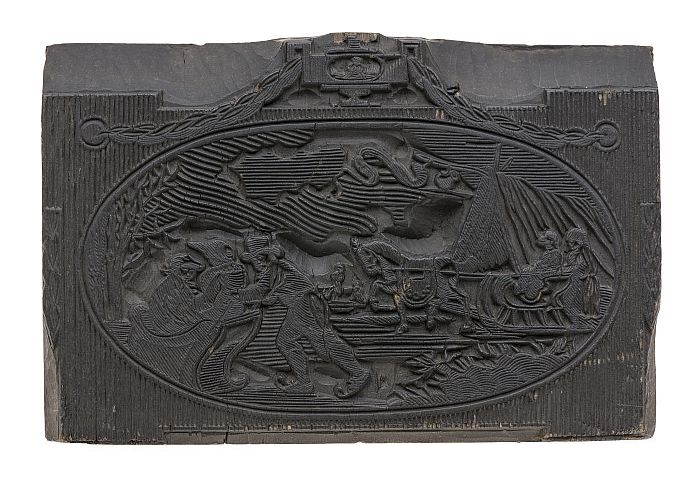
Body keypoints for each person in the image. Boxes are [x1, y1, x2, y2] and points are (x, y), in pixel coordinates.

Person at [244, 236, 370, 398]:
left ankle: (357, 373)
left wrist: (236, 294)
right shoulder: (275, 268)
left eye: (256, 259)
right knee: (286, 341)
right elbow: (271, 292)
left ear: (263, 258)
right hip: (299, 305)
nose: (255, 264)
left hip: (306, 304)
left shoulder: (274, 267)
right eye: (253, 261)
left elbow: (260, 291)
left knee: (323, 341)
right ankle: (304, 381)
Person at [562, 228, 600, 322]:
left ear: (577, 243)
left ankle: (589, 314)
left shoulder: (583, 253)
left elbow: (589, 266)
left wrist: (587, 274)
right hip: (573, 278)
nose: (568, 245)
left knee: (587, 297)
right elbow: (568, 265)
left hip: (584, 280)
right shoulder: (571, 253)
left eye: (570, 242)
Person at [514, 229, 563, 301]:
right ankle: (521, 288)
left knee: (531, 277)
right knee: (526, 270)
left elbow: (544, 264)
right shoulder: (547, 252)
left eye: (546, 240)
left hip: (547, 273)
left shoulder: (556, 253)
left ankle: (527, 290)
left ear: (551, 242)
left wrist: (536, 267)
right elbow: (541, 263)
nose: (544, 241)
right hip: (542, 271)